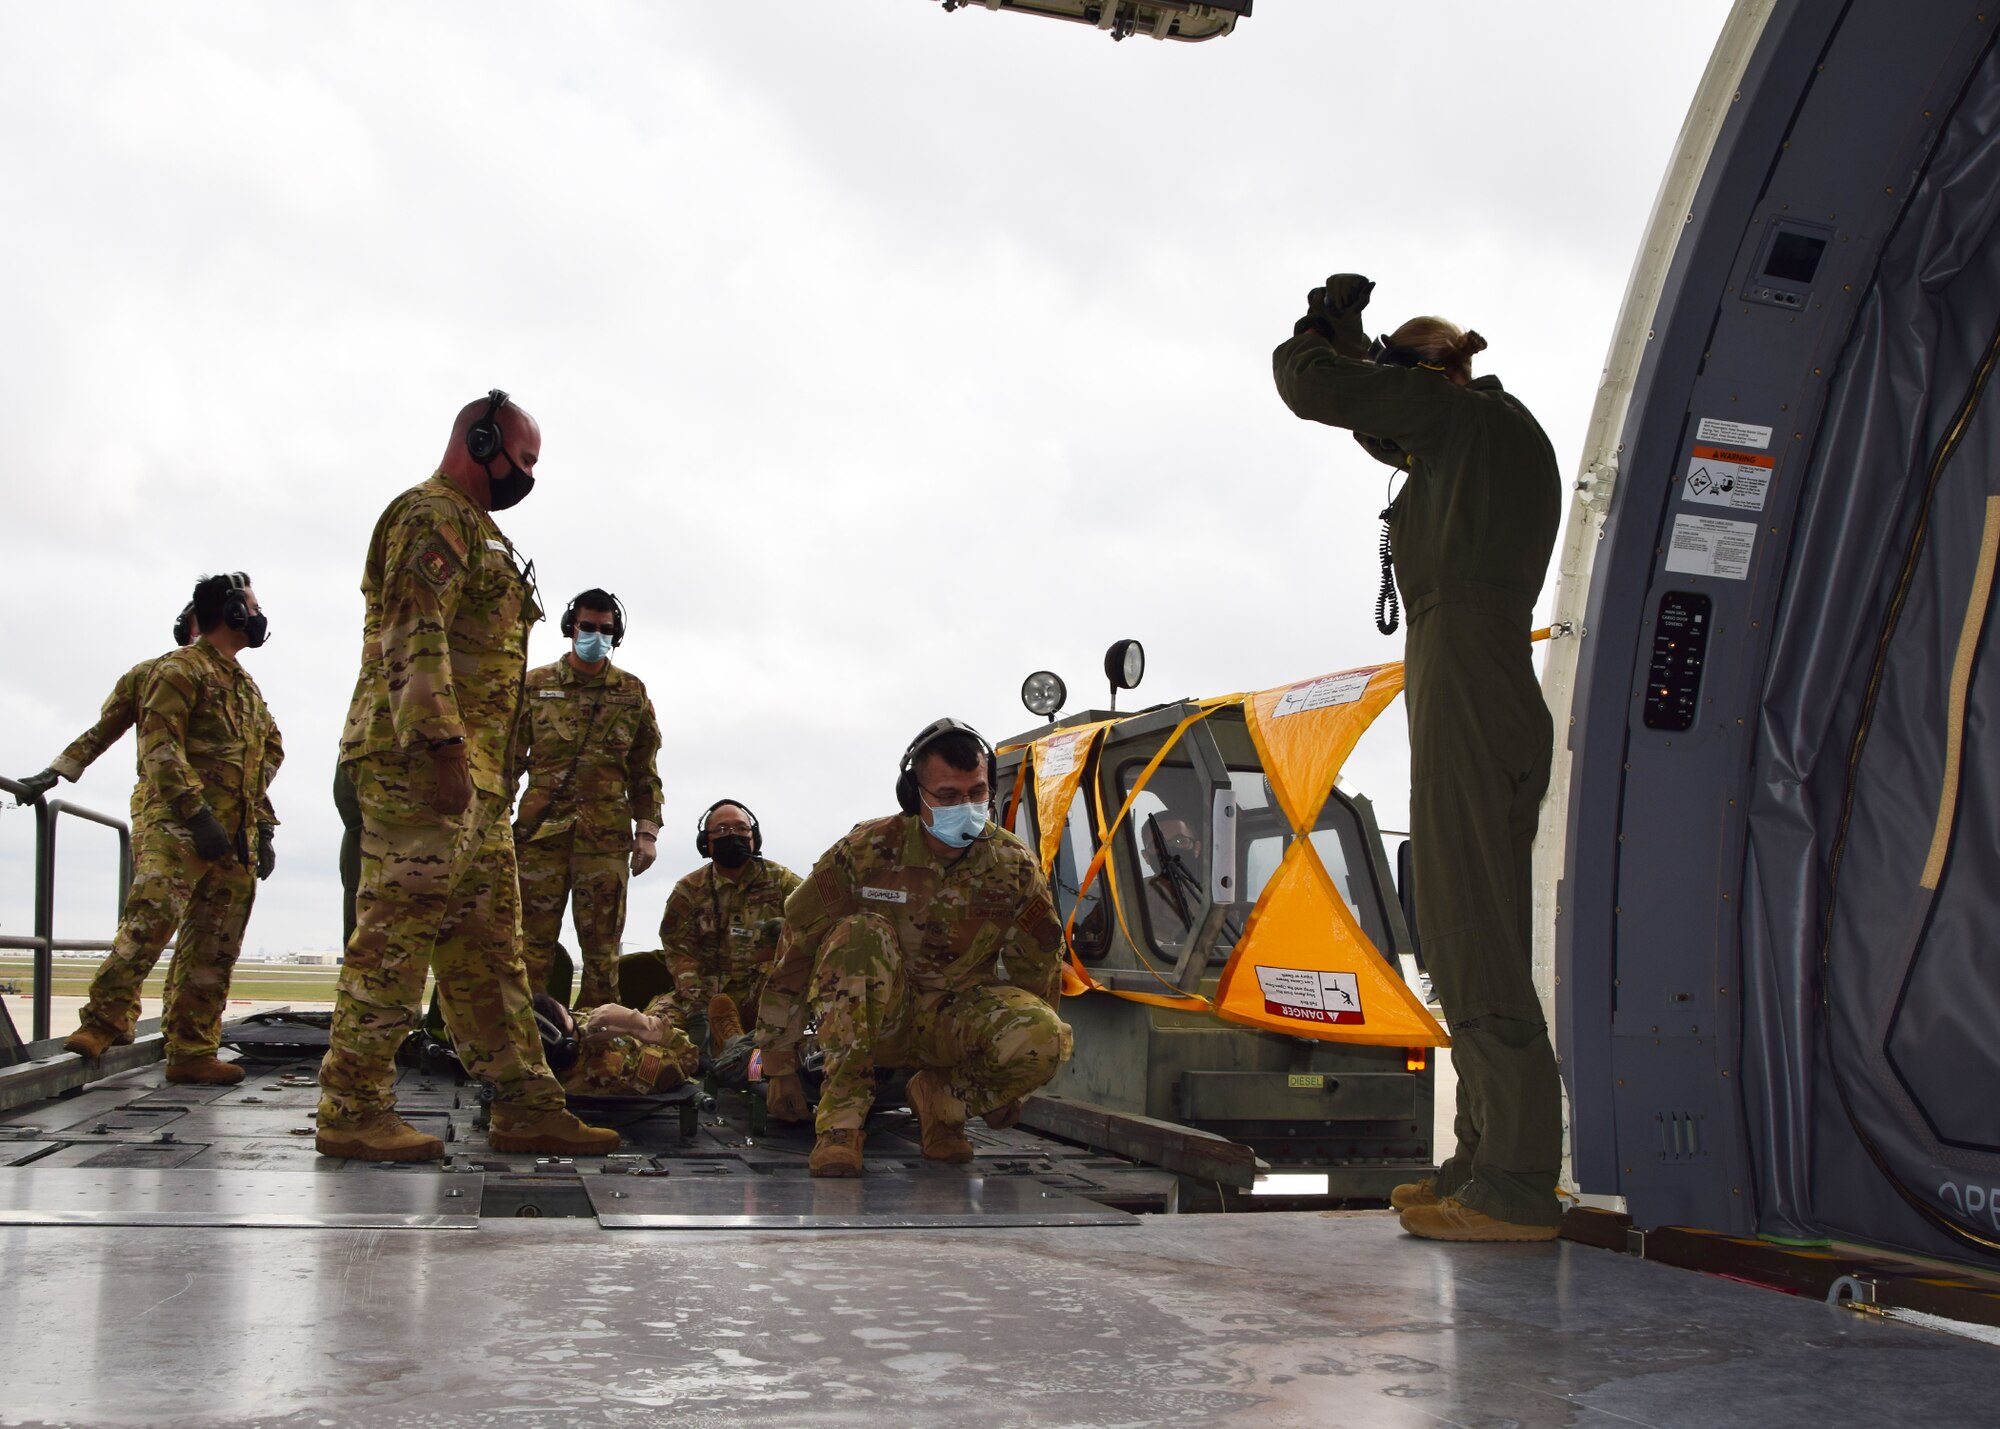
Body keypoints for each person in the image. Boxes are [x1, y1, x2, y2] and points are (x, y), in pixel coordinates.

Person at [1273, 273, 1562, 1243]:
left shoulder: (1466, 420)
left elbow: (1320, 391)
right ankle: (1480, 1158)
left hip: (1472, 691)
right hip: (1465, 686)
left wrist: (1327, 331)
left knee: (1474, 934)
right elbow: (1375, 427)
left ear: (1427, 374)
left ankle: (1517, 1181)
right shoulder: (1470, 437)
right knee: (1452, 927)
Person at [316, 388, 617, 1162]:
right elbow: (413, 631)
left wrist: (486, 773)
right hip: (423, 765)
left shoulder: (483, 535)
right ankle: (350, 1108)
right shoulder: (431, 515)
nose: (526, 477)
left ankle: (525, 1103)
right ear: (479, 439)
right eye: (520, 459)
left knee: (489, 952)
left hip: (477, 780)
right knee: (394, 942)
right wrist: (443, 745)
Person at [753, 719, 1072, 1177]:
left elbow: (1038, 967)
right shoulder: (866, 851)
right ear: (913, 796)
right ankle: (840, 1128)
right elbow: (797, 946)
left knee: (1047, 1035)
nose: (965, 806)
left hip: (953, 1018)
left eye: (977, 793)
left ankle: (943, 1103)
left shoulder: (1013, 866)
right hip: (875, 1019)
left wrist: (1008, 1084)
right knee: (861, 934)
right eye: (947, 796)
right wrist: (778, 1062)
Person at [60, 574, 282, 1085]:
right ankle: (104, 1020)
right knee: (152, 916)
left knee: (214, 943)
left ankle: (193, 1050)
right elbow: (158, 744)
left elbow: (266, 752)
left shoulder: (246, 687)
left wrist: (263, 827)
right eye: (252, 605)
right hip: (180, 823)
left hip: (235, 833)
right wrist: (196, 811)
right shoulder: (178, 671)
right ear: (231, 612)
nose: (259, 614)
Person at [511, 588, 664, 1009]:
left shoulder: (631, 693)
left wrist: (647, 832)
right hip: (539, 839)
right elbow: (509, 761)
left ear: (616, 635)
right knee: (529, 950)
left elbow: (644, 771)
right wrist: (489, 823)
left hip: (605, 844)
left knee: (602, 955)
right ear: (570, 628)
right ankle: (529, 1042)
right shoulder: (534, 686)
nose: (596, 636)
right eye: (588, 627)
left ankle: (598, 1053)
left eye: (605, 630)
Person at [651, 799, 802, 1053]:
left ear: (754, 838)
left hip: (763, 996)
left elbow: (815, 916)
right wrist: (698, 1013)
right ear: (705, 842)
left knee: (771, 1046)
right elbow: (680, 954)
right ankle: (695, 1066)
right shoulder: (689, 890)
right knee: (654, 1031)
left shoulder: (781, 881)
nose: (733, 835)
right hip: (701, 996)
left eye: (741, 829)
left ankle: (749, 1070)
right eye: (722, 830)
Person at [13, 599, 196, 808]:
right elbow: (104, 729)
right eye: (202, 623)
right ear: (185, 629)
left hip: (228, 809)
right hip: (161, 804)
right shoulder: (148, 674)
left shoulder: (238, 683)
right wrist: (53, 773)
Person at [533, 993, 701, 1098]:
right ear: (566, 1048)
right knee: (682, 997)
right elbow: (688, 1060)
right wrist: (645, 1024)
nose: (576, 1019)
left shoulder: (540, 1053)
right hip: (658, 1031)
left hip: (637, 1027)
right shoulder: (617, 1070)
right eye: (569, 1017)